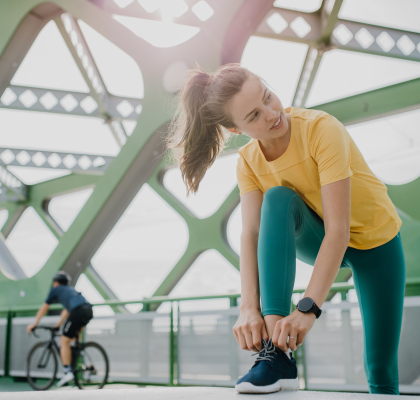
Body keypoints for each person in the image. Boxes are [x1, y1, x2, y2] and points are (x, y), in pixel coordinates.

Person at [167, 64, 405, 395]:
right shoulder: (248, 161)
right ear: (236, 129)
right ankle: (278, 356)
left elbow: (340, 230)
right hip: (315, 235)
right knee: (277, 199)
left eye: (268, 97)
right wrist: (248, 307)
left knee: (380, 365)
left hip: (375, 243)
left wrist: (308, 308)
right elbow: (250, 234)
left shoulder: (321, 129)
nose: (271, 113)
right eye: (254, 115)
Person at [27, 271, 94, 387]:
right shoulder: (70, 290)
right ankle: (78, 356)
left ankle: (67, 372)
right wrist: (58, 324)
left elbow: (44, 307)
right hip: (88, 310)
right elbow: (67, 310)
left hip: (78, 311)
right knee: (72, 337)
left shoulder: (55, 290)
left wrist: (34, 323)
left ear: (56, 283)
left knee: (64, 340)